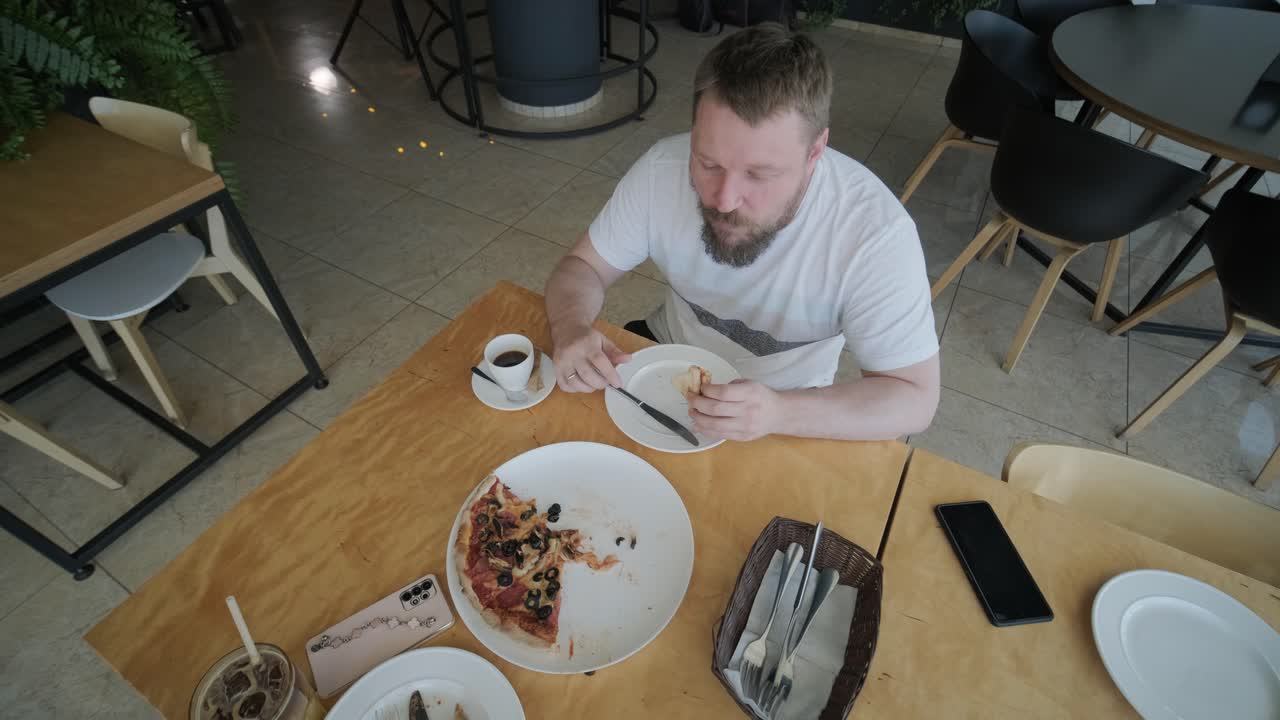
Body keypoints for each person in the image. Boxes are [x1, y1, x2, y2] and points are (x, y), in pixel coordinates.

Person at [544, 23, 939, 442]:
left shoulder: (875, 235)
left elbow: (914, 397)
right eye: (708, 163)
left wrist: (780, 414)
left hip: (788, 406)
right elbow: (583, 266)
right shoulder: (662, 169)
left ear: (815, 153)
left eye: (759, 174)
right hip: (664, 360)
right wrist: (570, 326)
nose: (724, 199)